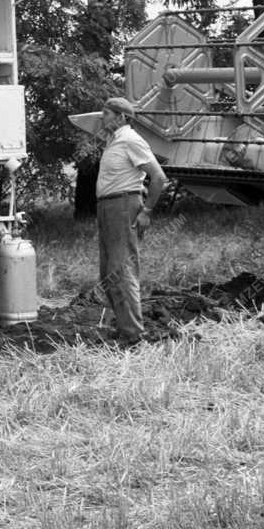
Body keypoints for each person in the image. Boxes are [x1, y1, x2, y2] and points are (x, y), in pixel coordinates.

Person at [96, 96, 167, 347]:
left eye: (106, 113)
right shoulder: (113, 140)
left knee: (121, 270)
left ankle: (134, 335)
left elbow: (158, 178)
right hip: (107, 207)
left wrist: (146, 211)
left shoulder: (131, 140)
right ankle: (125, 327)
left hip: (124, 206)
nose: (102, 118)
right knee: (108, 271)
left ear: (122, 117)